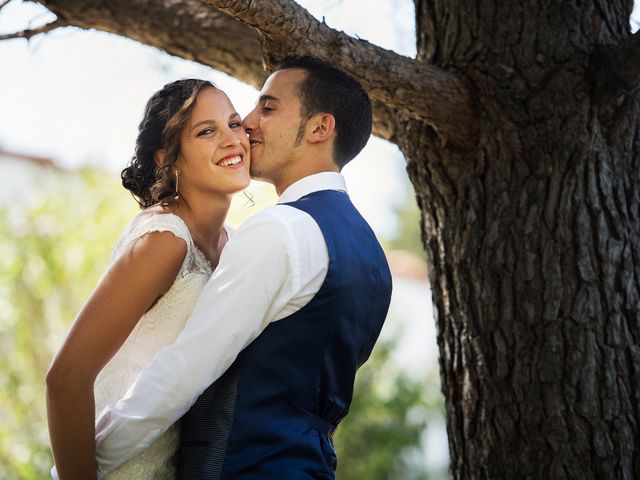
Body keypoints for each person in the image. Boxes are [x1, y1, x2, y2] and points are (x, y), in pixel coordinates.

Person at [94, 56, 393, 479]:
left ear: (319, 128)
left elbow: (182, 373)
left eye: (268, 108)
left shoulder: (279, 229)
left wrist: (85, 464)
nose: (248, 124)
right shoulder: (373, 257)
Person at [46, 79, 250, 479]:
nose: (233, 139)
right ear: (166, 160)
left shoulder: (234, 246)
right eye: (207, 131)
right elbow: (66, 377)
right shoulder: (164, 240)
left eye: (235, 123)